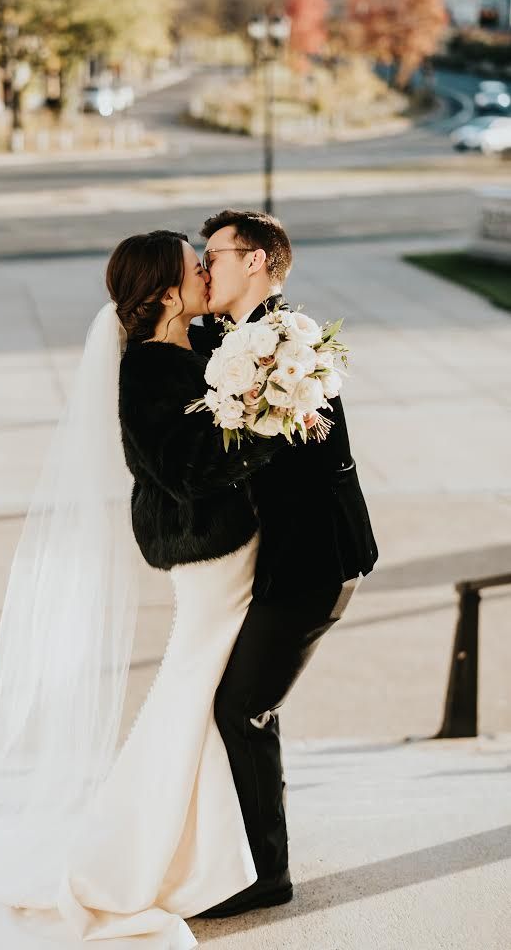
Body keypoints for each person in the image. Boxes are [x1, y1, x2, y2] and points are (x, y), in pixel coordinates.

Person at [0, 230, 282, 950]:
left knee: (210, 697)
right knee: (192, 689)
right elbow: (183, 469)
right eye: (195, 267)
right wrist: (268, 424)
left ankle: (195, 852)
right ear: (169, 292)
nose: (208, 272)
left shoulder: (194, 347)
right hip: (209, 558)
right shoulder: (145, 370)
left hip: (230, 550)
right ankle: (126, 855)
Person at [189, 209, 378, 919]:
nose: (207, 268)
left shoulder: (288, 344)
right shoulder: (239, 340)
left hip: (313, 565)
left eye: (216, 255)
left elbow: (311, 457)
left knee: (243, 708)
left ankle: (266, 874)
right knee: (241, 706)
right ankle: (243, 856)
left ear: (260, 261)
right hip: (282, 565)